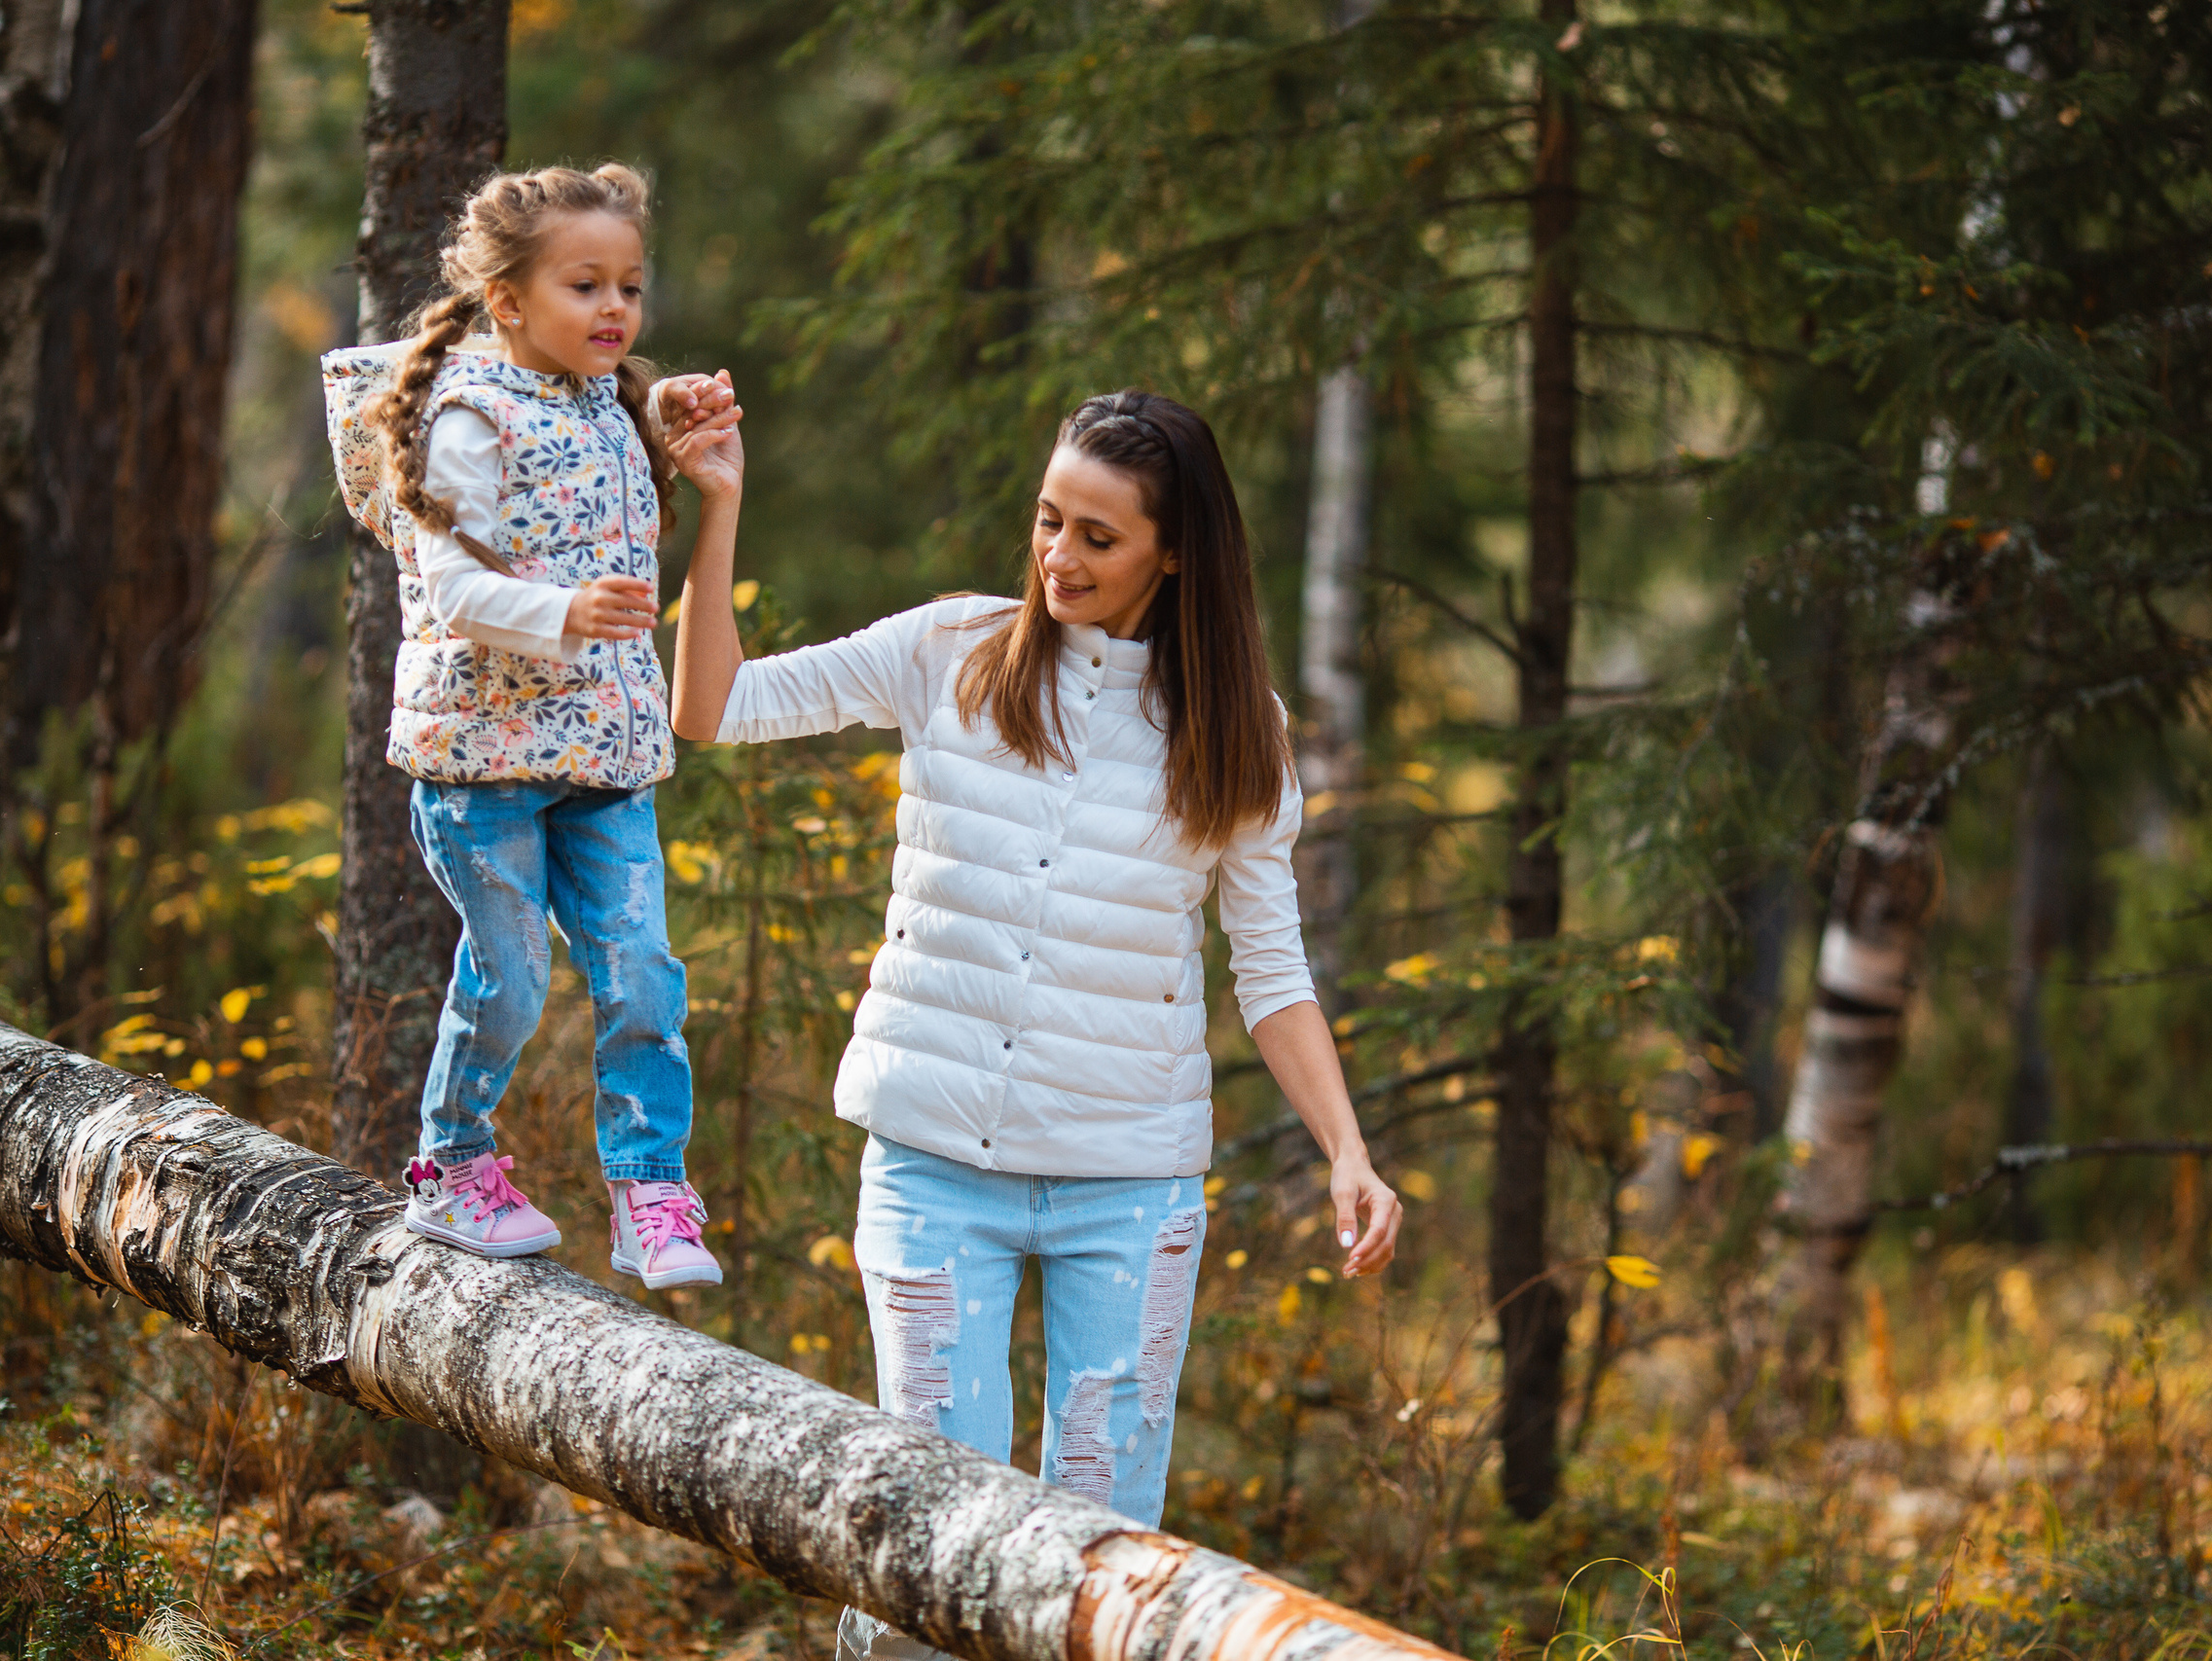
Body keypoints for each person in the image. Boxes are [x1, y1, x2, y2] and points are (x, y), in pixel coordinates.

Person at [658, 380, 1403, 1658]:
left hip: (1131, 1184)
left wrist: (1347, 1149)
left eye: (1098, 536)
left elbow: (1272, 975)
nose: (1059, 555)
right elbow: (714, 706)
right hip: (931, 1165)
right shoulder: (947, 649)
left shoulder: (1241, 733)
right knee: (921, 1535)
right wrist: (718, 506)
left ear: (1176, 552)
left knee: (1101, 1556)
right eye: (1050, 520)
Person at [323, 163, 743, 1289]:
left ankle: (650, 1192)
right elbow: (453, 588)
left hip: (604, 760)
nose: (616, 308)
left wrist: (668, 414)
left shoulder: (608, 402)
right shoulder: (465, 418)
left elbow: (601, 455)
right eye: (584, 286)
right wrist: (565, 612)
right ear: (508, 301)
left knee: (643, 976)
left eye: (630, 287)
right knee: (508, 978)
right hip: (484, 767)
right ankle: (451, 1165)